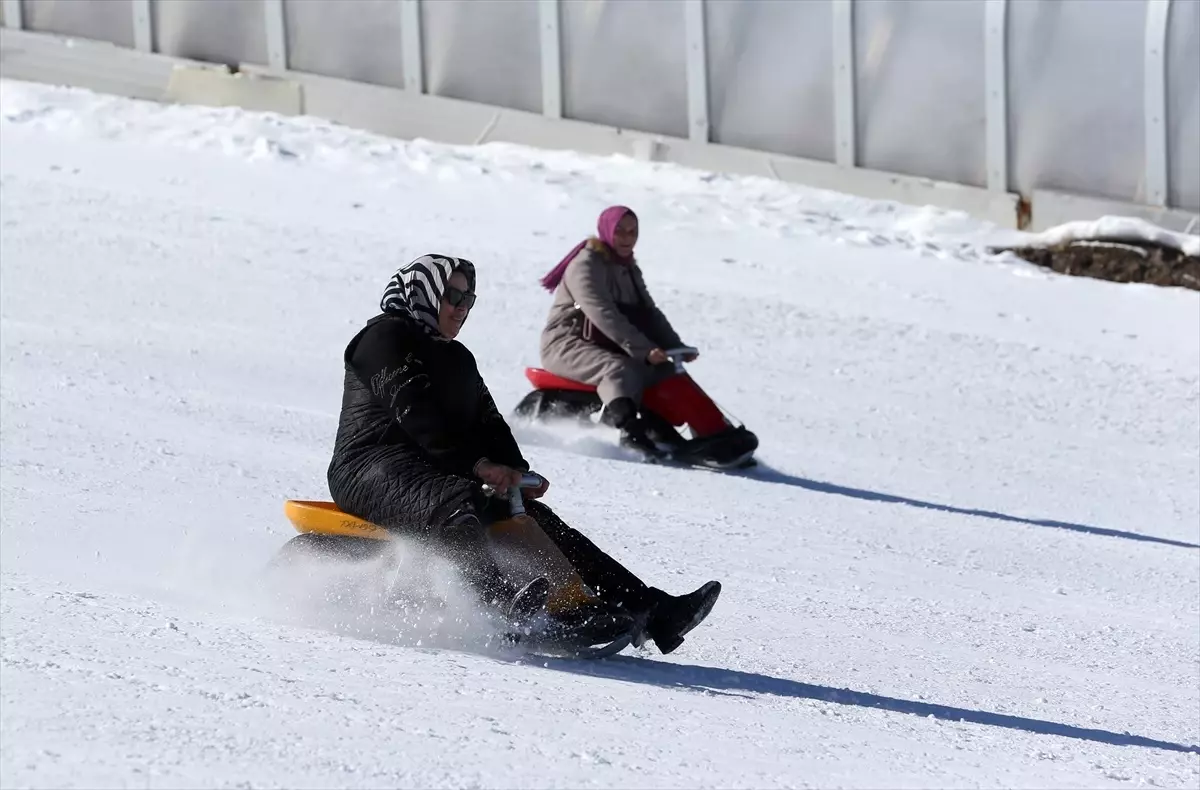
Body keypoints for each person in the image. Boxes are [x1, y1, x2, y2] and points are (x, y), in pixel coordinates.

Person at [325, 253, 720, 654]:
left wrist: (516, 472)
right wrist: (479, 465)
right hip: (370, 468)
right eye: (452, 296)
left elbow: (490, 423)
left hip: (435, 469)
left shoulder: (457, 358)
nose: (461, 308)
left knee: (531, 517)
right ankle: (499, 607)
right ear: (423, 293)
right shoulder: (383, 339)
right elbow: (418, 414)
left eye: (468, 300)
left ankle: (650, 610)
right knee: (458, 503)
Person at [538, 205, 695, 457]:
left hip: (607, 345)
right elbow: (602, 313)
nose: (626, 238)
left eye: (633, 232)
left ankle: (686, 429)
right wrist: (644, 350)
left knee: (664, 370)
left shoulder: (628, 268)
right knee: (619, 369)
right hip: (566, 345)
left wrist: (675, 346)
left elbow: (650, 313)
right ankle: (628, 430)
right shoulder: (586, 265)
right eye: (620, 231)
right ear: (607, 230)